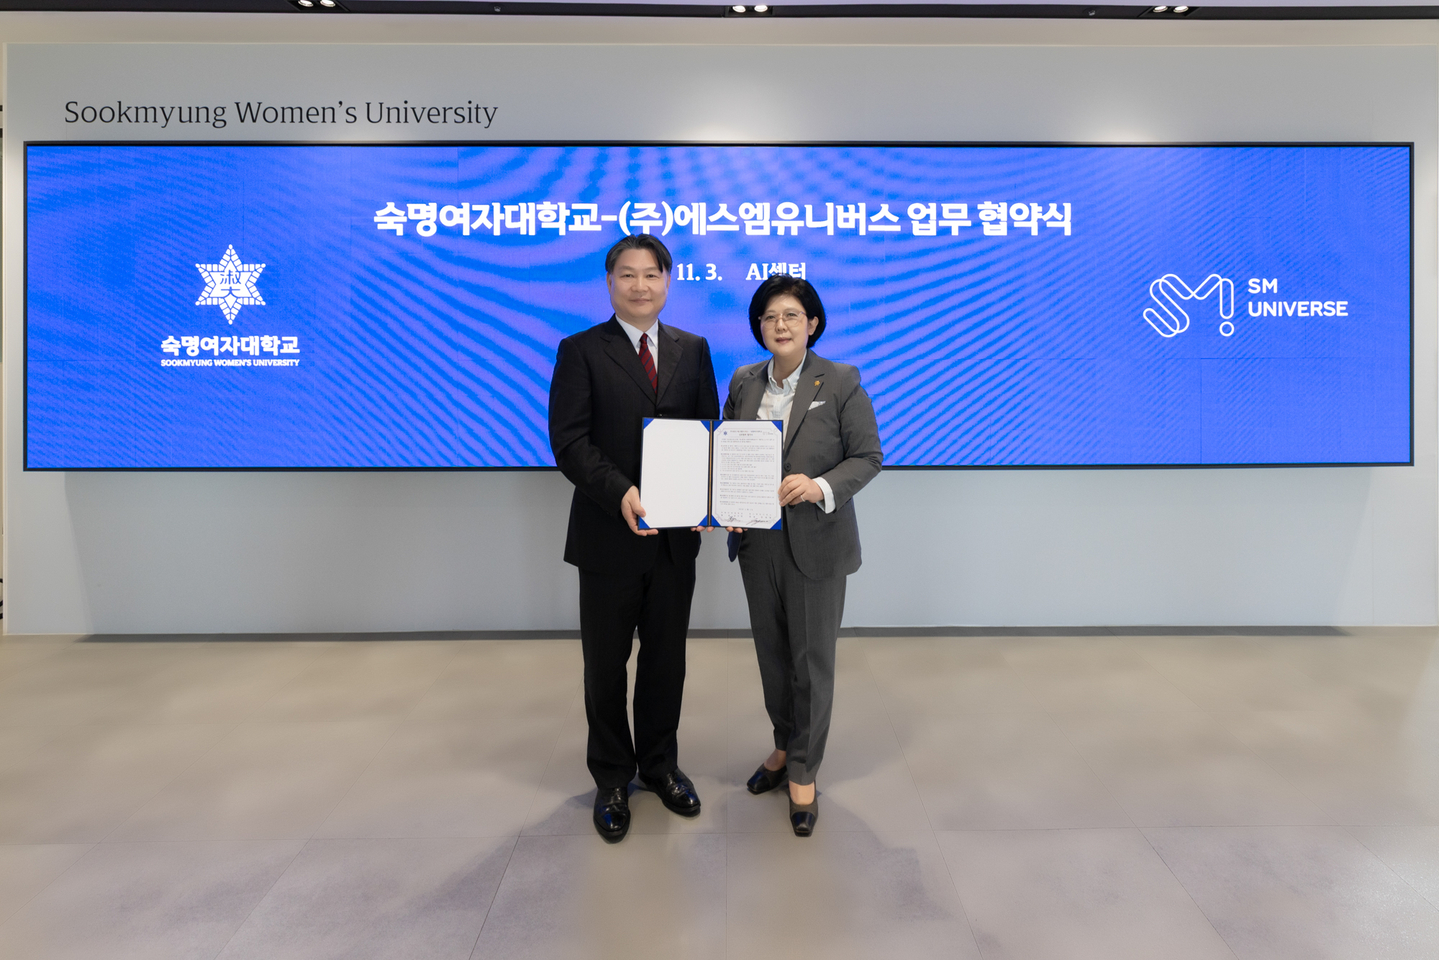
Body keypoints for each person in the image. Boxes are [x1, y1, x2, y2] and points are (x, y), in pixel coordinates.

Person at [548, 235, 720, 843]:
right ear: (610, 282)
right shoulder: (580, 350)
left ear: (669, 282)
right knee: (606, 664)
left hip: (675, 541)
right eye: (628, 275)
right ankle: (612, 779)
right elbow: (569, 443)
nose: (640, 285)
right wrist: (620, 490)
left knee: (665, 661)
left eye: (652, 274)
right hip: (607, 536)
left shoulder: (693, 350)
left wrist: (711, 498)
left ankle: (661, 766)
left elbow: (708, 435)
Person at [723, 274, 882, 837]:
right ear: (758, 326)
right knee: (773, 657)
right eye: (769, 317)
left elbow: (867, 457)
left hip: (816, 541)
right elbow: (729, 453)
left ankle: (804, 771)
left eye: (791, 315)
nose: (780, 325)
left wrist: (818, 487)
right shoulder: (743, 381)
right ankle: (783, 746)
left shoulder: (839, 381)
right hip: (757, 543)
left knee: (811, 663)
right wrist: (724, 501)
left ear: (811, 322)